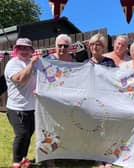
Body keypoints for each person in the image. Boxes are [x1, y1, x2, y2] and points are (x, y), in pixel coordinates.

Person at [4, 38, 39, 168]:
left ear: (31, 50)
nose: (24, 51)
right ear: (16, 50)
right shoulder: (12, 64)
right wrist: (31, 64)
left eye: (27, 48)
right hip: (16, 108)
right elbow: (21, 80)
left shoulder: (34, 62)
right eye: (21, 48)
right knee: (22, 134)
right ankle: (16, 162)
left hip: (32, 107)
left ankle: (23, 158)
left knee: (28, 134)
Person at [42, 34, 74, 167]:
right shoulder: (47, 59)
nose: (62, 48)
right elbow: (40, 76)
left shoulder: (73, 61)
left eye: (65, 46)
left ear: (70, 47)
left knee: (66, 127)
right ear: (55, 46)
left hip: (67, 100)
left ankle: (64, 154)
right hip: (51, 99)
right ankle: (49, 158)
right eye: (59, 45)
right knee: (50, 128)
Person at [88, 33, 115, 168]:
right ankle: (98, 158)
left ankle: (108, 157)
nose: (95, 47)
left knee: (107, 130)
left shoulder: (109, 63)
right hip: (91, 102)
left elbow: (115, 81)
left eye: (98, 45)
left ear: (103, 47)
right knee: (94, 130)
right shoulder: (85, 64)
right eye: (92, 44)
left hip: (107, 101)